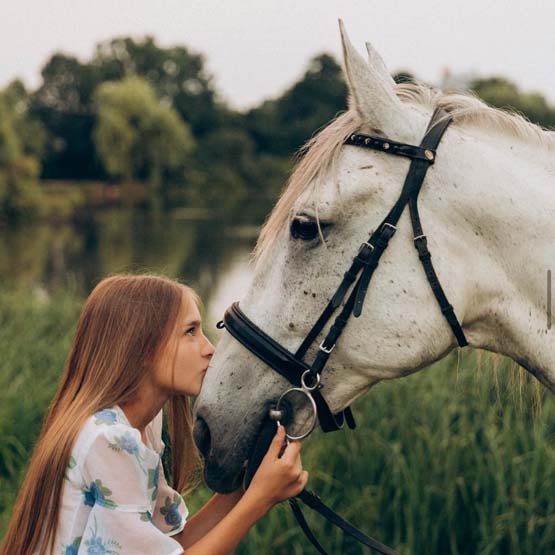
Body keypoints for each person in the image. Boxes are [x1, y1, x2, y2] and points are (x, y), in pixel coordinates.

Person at [0, 274, 308, 555]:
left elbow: (172, 545)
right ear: (142, 348)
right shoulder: (110, 439)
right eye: (190, 332)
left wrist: (246, 484)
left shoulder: (139, 428)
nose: (209, 349)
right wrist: (260, 499)